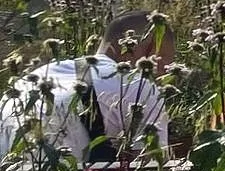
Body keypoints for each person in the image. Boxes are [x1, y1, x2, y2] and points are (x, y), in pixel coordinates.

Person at [0, 11, 172, 160]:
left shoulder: (33, 77)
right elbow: (149, 164)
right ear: (151, 48)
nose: (167, 71)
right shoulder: (139, 86)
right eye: (166, 59)